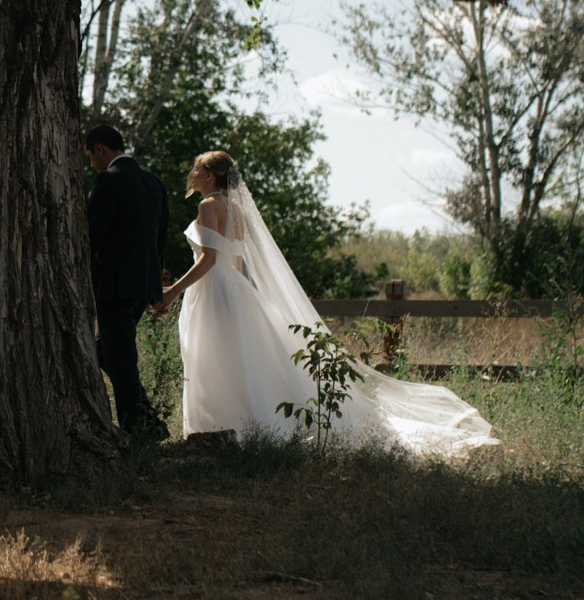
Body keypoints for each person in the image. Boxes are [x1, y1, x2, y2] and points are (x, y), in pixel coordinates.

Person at [156, 150, 497, 455]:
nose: (193, 174)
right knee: (236, 358)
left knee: (215, 356)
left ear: (211, 175)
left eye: (198, 168)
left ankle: (221, 427)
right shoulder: (236, 210)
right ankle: (235, 426)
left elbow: (209, 260)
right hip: (234, 290)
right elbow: (237, 263)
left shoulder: (208, 206)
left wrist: (173, 291)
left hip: (213, 291)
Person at [85, 124, 169, 442]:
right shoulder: (155, 183)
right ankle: (150, 421)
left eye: (91, 156)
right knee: (106, 352)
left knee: (120, 356)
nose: (92, 164)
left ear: (100, 150)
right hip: (142, 285)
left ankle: (140, 430)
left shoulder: (108, 180)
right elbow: (160, 240)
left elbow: (93, 235)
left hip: (113, 285)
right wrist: (154, 286)